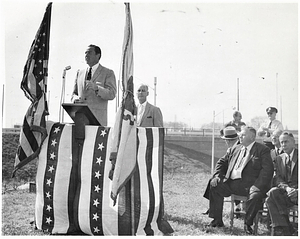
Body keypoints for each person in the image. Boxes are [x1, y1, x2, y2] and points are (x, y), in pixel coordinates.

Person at [208, 126, 273, 235]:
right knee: (215, 184)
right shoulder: (236, 148)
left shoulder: (262, 150)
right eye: (240, 134)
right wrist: (217, 175)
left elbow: (267, 170)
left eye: (243, 135)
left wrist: (257, 186)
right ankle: (217, 220)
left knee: (255, 196)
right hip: (232, 183)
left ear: (252, 137)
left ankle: (248, 223)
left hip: (250, 186)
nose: (240, 136)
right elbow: (221, 162)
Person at [71, 44, 117, 126]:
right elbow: (74, 93)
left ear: (97, 55)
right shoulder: (79, 73)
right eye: (85, 53)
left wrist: (97, 88)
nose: (86, 55)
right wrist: (75, 99)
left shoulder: (108, 73)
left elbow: (112, 94)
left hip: (97, 121)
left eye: (89, 53)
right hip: (80, 120)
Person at [266, 132, 298, 236]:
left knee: (270, 199)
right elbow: (278, 179)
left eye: (286, 141)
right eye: (281, 142)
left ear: (294, 142)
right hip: (287, 192)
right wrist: (287, 188)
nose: (283, 144)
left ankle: (283, 228)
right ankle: (286, 227)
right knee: (272, 193)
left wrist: (297, 191)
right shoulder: (279, 158)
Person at [202, 126, 240, 214]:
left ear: (228, 140)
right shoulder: (231, 148)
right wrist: (217, 175)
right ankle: (212, 207)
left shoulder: (239, 148)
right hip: (229, 175)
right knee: (213, 180)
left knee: (215, 184)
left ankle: (214, 209)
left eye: (225, 140)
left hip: (236, 179)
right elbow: (221, 162)